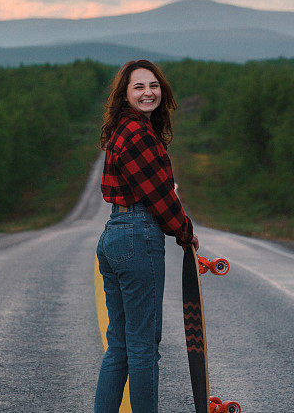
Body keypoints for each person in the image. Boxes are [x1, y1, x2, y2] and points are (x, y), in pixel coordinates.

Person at [95, 59, 199, 412]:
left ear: (161, 90)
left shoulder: (125, 130)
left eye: (153, 86)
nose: (148, 92)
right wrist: (185, 232)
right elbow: (158, 195)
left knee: (121, 346)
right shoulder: (138, 134)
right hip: (138, 236)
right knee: (141, 347)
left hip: (115, 234)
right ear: (125, 95)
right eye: (138, 87)